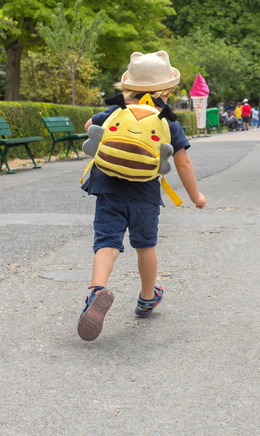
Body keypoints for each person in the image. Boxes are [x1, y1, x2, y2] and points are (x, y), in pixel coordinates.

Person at [77, 51, 206, 341]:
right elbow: (183, 162)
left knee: (106, 243)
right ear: (168, 89)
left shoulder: (117, 110)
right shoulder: (165, 118)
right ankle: (148, 298)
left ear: (128, 85)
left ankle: (97, 291)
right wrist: (195, 195)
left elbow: (88, 127)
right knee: (145, 245)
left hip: (108, 189)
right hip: (145, 194)